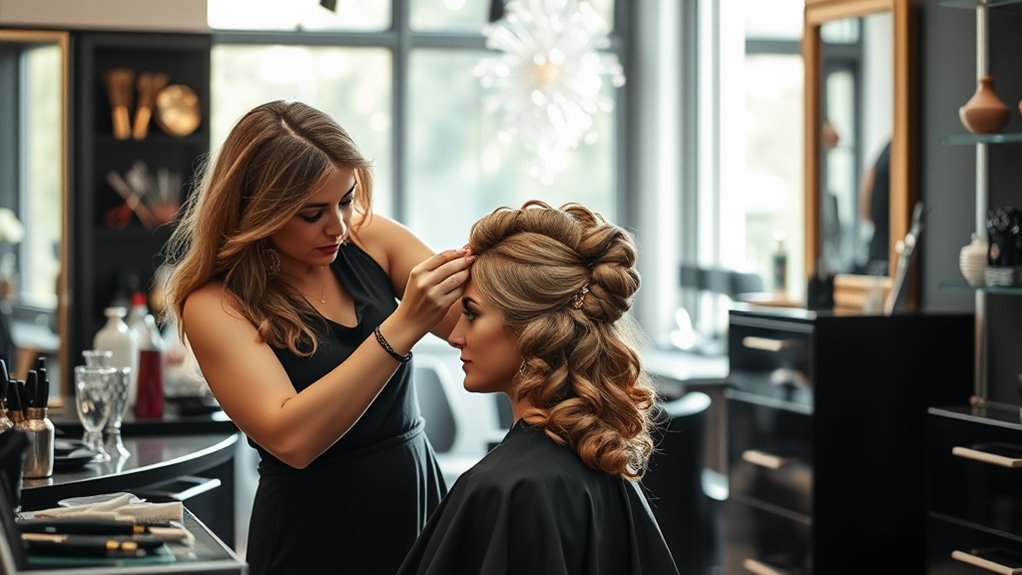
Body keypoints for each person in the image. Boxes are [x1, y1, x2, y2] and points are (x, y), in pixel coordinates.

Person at [162, 100, 473, 575]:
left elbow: (470, 323)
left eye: (346, 199)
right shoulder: (214, 304)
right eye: (311, 214)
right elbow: (293, 440)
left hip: (417, 506)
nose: (339, 226)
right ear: (256, 211)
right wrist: (402, 326)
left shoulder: (370, 241)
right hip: (315, 533)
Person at [398, 200, 679, 575]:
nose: (455, 336)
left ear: (532, 329)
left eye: (472, 313)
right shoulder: (602, 461)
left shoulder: (509, 489)